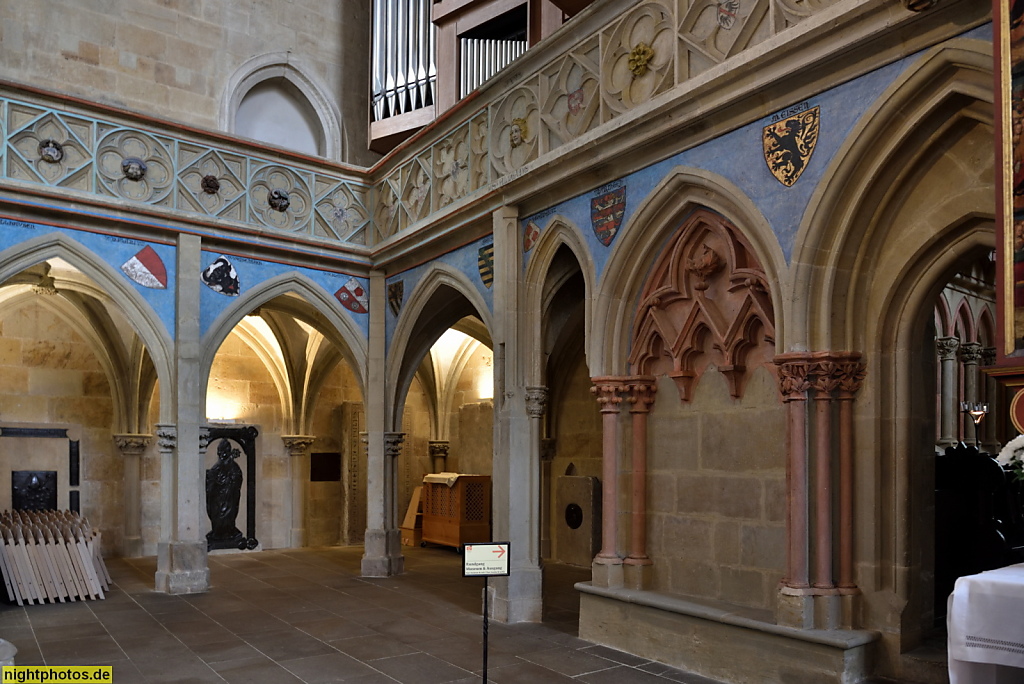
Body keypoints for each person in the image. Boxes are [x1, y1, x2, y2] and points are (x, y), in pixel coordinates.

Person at [206, 439, 244, 548]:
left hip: (229, 498)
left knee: (227, 516)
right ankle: (217, 533)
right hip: (217, 498)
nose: (221, 454)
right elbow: (213, 478)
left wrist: (229, 480)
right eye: (220, 451)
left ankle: (228, 533)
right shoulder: (218, 465)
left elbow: (237, 478)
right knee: (216, 515)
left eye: (224, 451)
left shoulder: (233, 466)